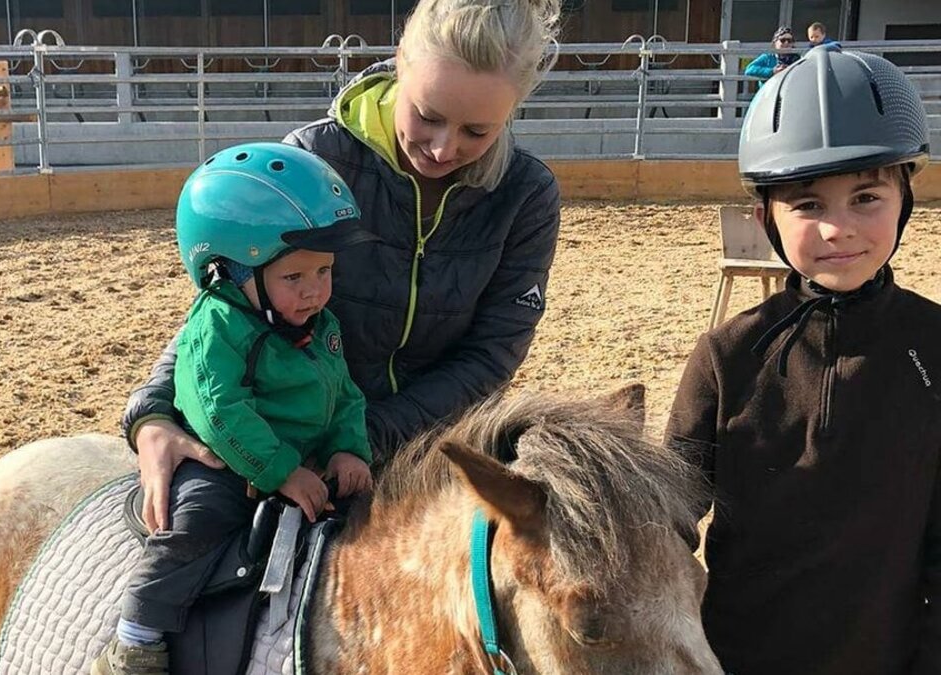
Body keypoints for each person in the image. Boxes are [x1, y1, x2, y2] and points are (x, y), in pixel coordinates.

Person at [122, 0, 563, 536]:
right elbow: (228, 306)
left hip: (429, 439)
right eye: (427, 115)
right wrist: (152, 414)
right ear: (400, 61)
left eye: (477, 131)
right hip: (292, 431)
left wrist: (359, 439)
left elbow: (491, 354)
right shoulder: (312, 159)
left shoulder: (526, 196)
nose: (445, 148)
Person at [666, 45, 940, 675]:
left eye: (866, 198)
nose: (838, 229)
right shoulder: (727, 356)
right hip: (737, 656)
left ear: (905, 199)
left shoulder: (934, 349)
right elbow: (669, 518)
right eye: (809, 205)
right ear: (765, 216)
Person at [93, 143, 376, 675]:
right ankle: (136, 634)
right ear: (228, 270)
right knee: (196, 521)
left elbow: (345, 394)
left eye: (325, 271)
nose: (315, 291)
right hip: (228, 457)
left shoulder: (320, 326)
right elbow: (218, 409)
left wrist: (347, 449)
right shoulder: (219, 326)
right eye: (294, 277)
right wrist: (280, 471)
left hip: (302, 460)